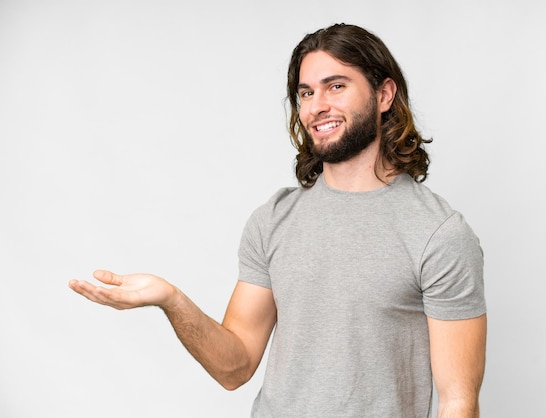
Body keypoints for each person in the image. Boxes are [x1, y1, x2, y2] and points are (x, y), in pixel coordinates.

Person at [69, 23, 487, 418]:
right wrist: (171, 299)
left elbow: (458, 404)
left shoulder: (438, 233)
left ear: (383, 95)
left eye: (336, 86)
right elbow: (235, 368)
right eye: (305, 93)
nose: (317, 106)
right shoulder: (273, 219)